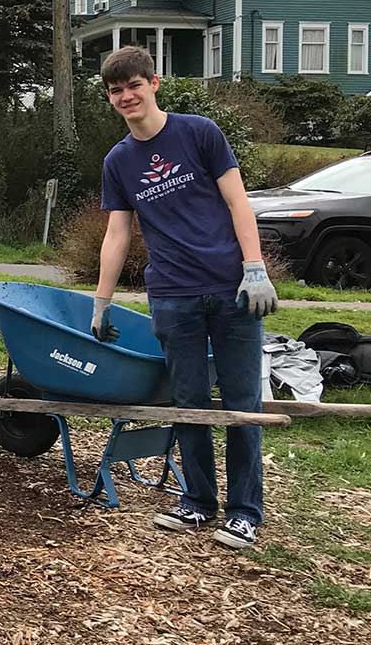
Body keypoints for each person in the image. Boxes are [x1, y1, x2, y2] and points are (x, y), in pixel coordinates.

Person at [92, 46, 277, 550]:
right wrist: (101, 301)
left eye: (134, 84)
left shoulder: (199, 133)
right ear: (110, 98)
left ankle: (244, 511)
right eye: (116, 90)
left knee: (241, 403)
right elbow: (117, 234)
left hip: (231, 288)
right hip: (172, 295)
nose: (126, 95)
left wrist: (255, 268)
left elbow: (239, 201)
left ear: (154, 83)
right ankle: (197, 502)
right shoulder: (118, 162)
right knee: (189, 402)